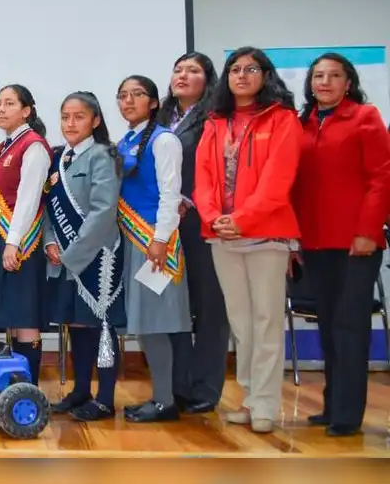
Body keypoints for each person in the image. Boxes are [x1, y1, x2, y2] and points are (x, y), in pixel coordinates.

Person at [194, 46, 302, 434]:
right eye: (235, 69)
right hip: (221, 236)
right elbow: (203, 178)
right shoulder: (215, 122)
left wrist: (241, 218)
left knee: (267, 320)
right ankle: (251, 396)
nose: (242, 75)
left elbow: (278, 180)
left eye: (251, 69)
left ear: (265, 75)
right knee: (241, 323)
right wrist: (212, 217)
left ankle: (267, 406)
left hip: (266, 235)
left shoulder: (283, 119)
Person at [292, 53, 390, 437]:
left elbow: (381, 178)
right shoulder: (302, 123)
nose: (325, 82)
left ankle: (348, 414)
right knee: (329, 327)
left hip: (356, 243)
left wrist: (368, 230)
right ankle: (332, 407)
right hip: (314, 242)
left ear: (348, 82)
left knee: (350, 328)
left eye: (334, 75)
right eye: (318, 75)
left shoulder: (365, 117)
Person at [44, 92, 125, 422]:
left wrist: (72, 253)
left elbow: (103, 211)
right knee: (76, 326)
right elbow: (49, 206)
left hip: (98, 256)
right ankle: (81, 391)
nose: (70, 123)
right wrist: (51, 242)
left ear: (95, 120)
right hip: (65, 255)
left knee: (100, 326)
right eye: (65, 117)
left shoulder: (102, 155)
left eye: (79, 117)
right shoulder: (60, 158)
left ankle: (105, 399)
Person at [154, 52, 227, 414]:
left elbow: (218, 170)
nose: (183, 75)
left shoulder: (215, 118)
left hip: (202, 225)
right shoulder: (162, 117)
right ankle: (177, 384)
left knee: (210, 307)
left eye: (193, 71)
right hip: (164, 228)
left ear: (208, 79)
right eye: (178, 69)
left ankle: (206, 388)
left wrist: (188, 199)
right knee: (173, 306)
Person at [115, 76, 190, 423]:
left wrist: (159, 240)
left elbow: (170, 194)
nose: (129, 101)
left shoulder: (164, 140)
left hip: (154, 245)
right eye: (123, 96)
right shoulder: (125, 140)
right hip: (134, 242)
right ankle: (163, 396)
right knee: (146, 324)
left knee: (156, 324)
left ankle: (165, 401)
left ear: (155, 102)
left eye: (137, 95)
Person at [0, 84, 52, 385]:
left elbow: (28, 197)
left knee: (24, 316)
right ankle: (13, 383)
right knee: (10, 315)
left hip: (21, 241)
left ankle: (28, 386)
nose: (1, 109)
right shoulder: (3, 146)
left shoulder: (34, 145)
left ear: (26, 111)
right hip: (2, 237)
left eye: (9, 103)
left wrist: (13, 242)